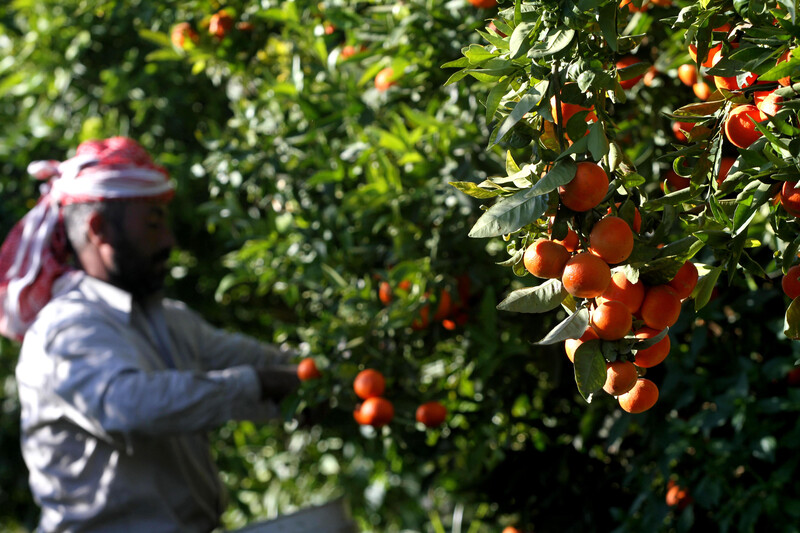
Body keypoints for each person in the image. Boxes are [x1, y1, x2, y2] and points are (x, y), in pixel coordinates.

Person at [0, 137, 301, 532]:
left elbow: (256, 361)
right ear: (98, 229)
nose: (168, 241)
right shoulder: (66, 328)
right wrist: (256, 386)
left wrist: (319, 373)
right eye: (154, 223)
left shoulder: (169, 321)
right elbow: (127, 407)